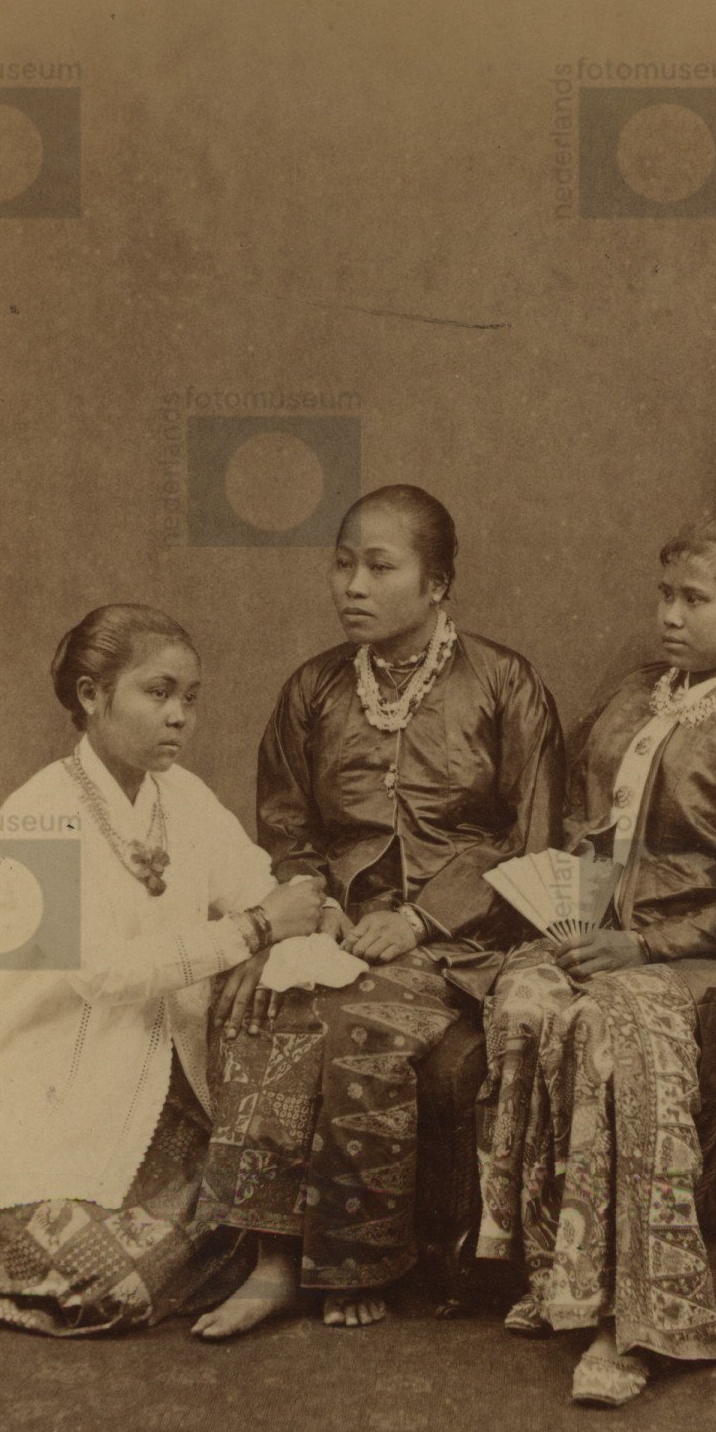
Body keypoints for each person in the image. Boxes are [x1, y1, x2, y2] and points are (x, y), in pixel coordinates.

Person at [0, 604, 323, 1335]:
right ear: (91, 696)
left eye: (190, 697)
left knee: (222, 1218)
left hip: (162, 1082)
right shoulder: (36, 817)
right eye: (158, 692)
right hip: (47, 1094)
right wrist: (254, 928)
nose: (179, 716)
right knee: (112, 1286)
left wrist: (269, 937)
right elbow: (104, 975)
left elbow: (265, 887)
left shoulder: (180, 796)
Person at [194, 484, 565, 1336]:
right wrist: (316, 902)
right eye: (342, 564)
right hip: (339, 926)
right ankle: (272, 1262)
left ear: (436, 584)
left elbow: (535, 841)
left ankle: (355, 1258)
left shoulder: (505, 683)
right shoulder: (313, 688)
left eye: (379, 567)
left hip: (467, 941)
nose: (352, 585)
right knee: (262, 996)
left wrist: (424, 920)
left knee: (356, 1017)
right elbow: (286, 826)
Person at [475, 513, 716, 1406]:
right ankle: (556, 1271)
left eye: (692, 599)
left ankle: (631, 1319)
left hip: (710, 960)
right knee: (525, 997)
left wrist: (644, 944)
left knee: (607, 1026)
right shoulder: (633, 697)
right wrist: (575, 904)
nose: (668, 614)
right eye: (663, 595)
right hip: (604, 936)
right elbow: (583, 823)